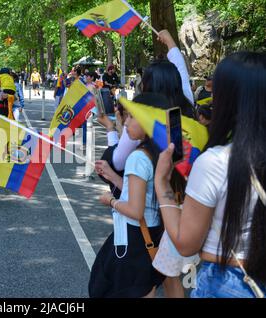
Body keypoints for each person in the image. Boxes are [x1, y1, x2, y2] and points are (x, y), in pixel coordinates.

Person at [154, 51, 266, 298]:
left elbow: (185, 243)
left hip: (229, 282)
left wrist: (162, 183)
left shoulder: (216, 162)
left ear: (228, 100)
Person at [90, 93, 168, 298]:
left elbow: (135, 210)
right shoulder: (161, 152)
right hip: (154, 231)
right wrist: (113, 177)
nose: (125, 122)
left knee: (106, 285)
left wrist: (111, 201)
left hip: (135, 237)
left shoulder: (137, 157)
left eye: (132, 117)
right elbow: (144, 191)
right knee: (145, 286)